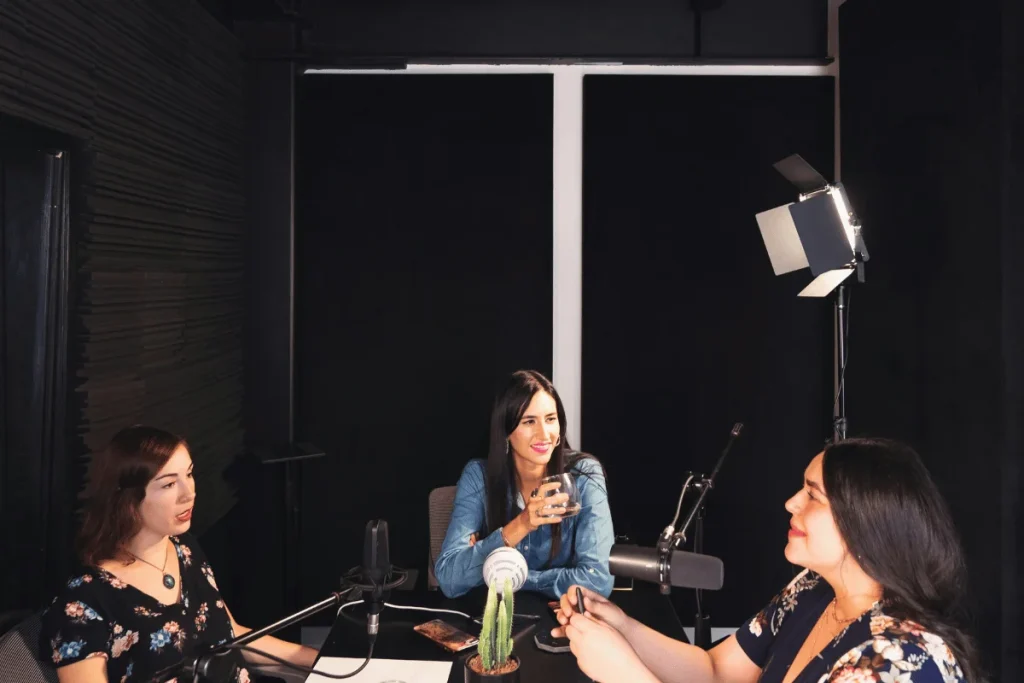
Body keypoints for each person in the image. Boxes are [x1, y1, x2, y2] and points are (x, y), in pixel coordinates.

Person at [553, 438, 984, 683]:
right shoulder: (811, 591)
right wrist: (621, 626)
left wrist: (627, 675)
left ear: (865, 523)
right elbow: (716, 672)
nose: (790, 502)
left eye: (812, 495)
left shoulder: (898, 663)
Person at [38, 425, 319, 683]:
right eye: (169, 484)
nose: (189, 493)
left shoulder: (184, 548)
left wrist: (318, 660)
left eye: (189, 474)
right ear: (129, 500)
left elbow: (228, 633)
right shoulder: (83, 604)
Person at [434, 370, 614, 599]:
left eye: (550, 419)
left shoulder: (585, 474)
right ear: (506, 432)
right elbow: (450, 579)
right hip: (494, 622)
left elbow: (598, 581)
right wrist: (522, 524)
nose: (544, 434)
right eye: (529, 421)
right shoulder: (478, 475)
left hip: (563, 621)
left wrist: (502, 573)